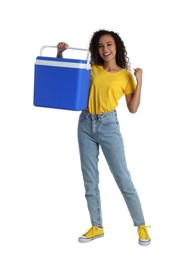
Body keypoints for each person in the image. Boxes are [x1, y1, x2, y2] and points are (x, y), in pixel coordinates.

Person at [57, 29, 151, 246]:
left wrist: (140, 80)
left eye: (109, 44)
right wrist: (60, 54)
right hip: (85, 124)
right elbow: (66, 79)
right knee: (90, 179)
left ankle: (141, 226)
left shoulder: (125, 76)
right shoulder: (93, 68)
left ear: (116, 46)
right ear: (96, 49)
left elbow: (133, 108)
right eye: (100, 46)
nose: (105, 49)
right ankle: (97, 226)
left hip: (109, 126)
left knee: (123, 179)